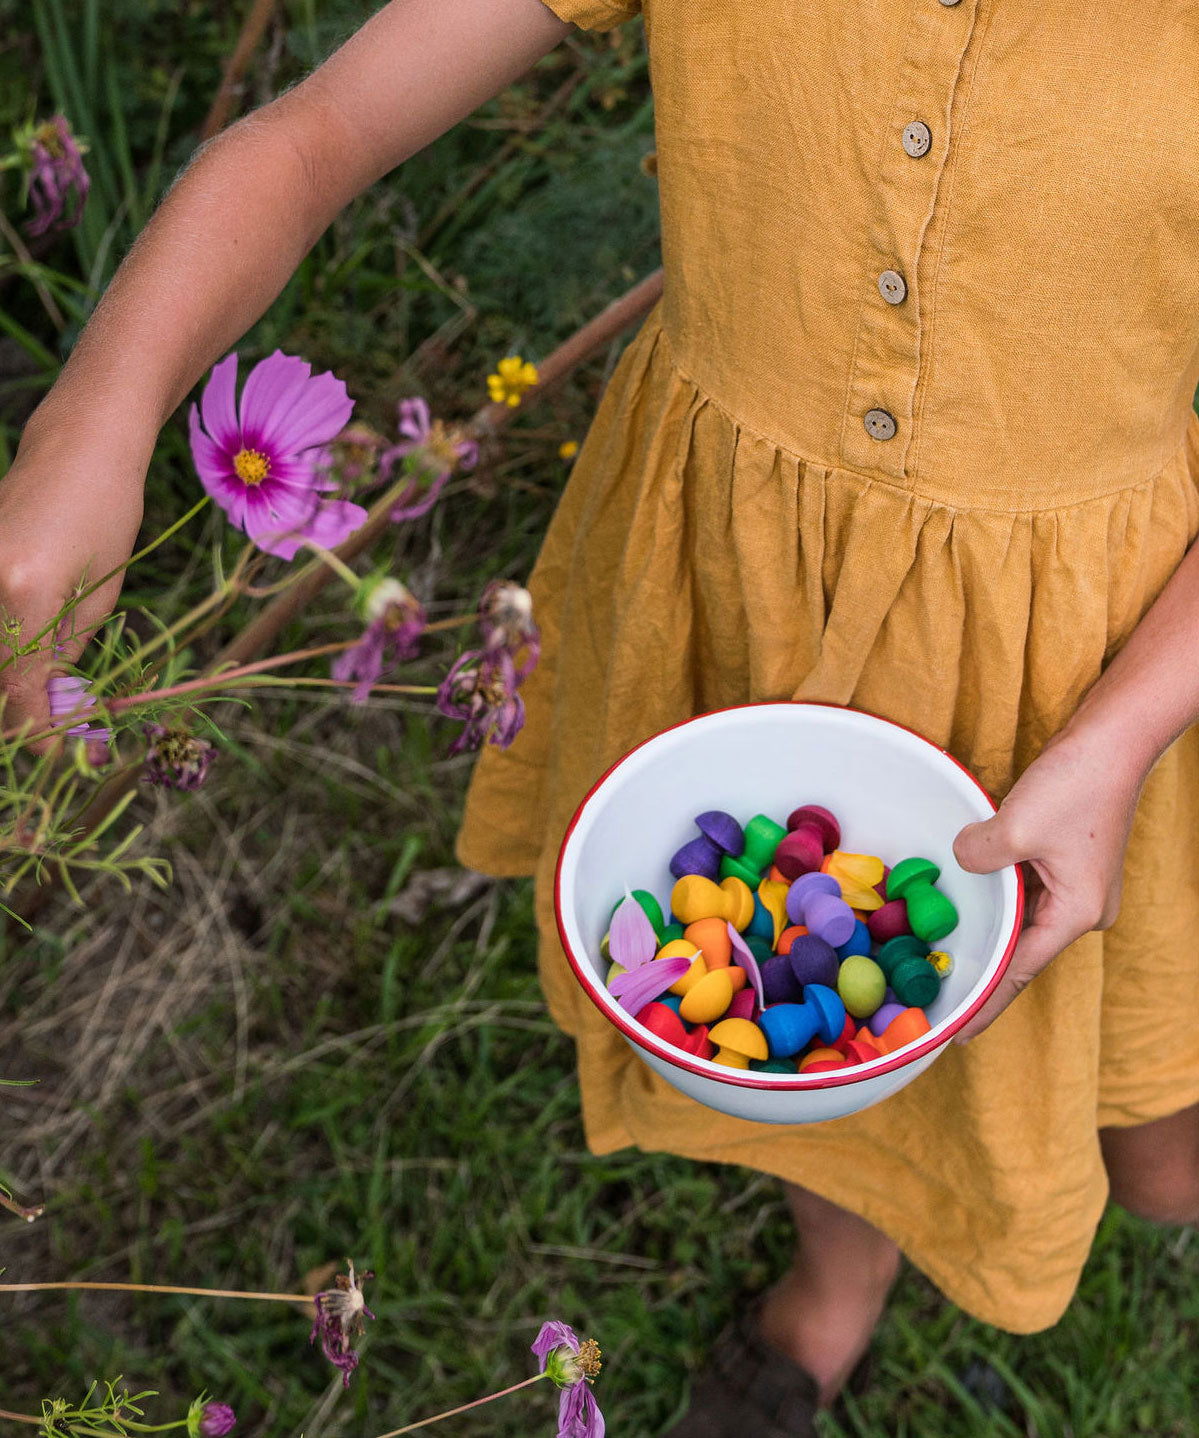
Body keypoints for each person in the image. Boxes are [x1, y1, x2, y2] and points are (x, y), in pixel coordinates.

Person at [2, 1, 1198, 1433]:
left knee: (1156, 1138)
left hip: (1103, 658)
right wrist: (97, 413)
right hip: (735, 602)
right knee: (810, 1004)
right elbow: (315, 136)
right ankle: (842, 1269)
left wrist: (1125, 732)